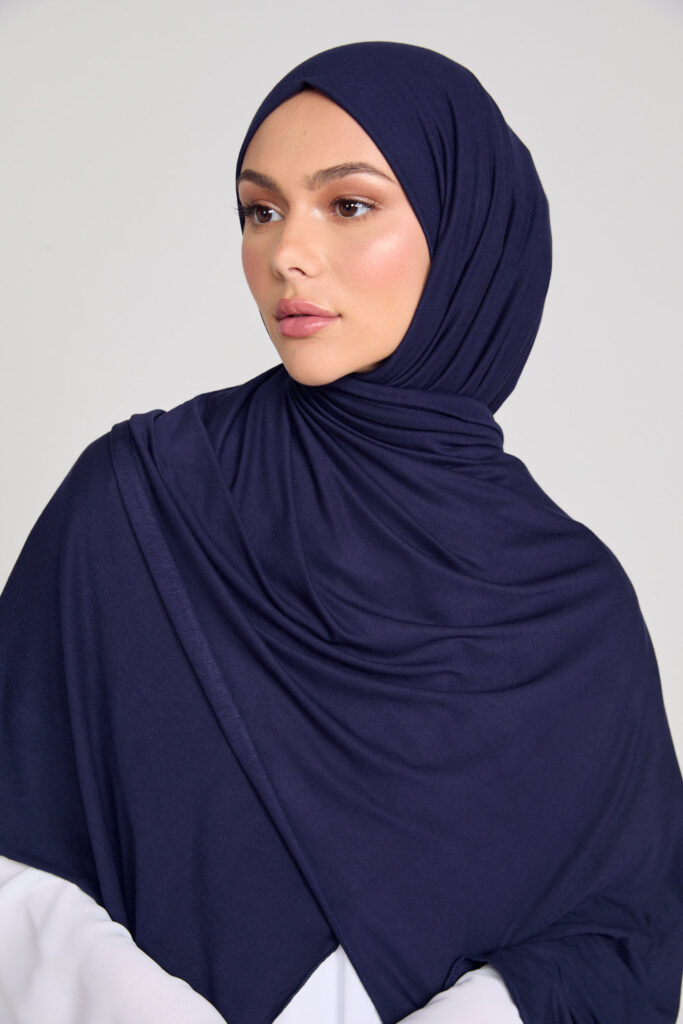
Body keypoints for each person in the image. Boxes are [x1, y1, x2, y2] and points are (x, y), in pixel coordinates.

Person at [1, 40, 682, 1024]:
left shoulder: (574, 615)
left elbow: (621, 937)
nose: (286, 252)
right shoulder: (140, 502)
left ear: (465, 234)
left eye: (348, 205)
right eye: (260, 209)